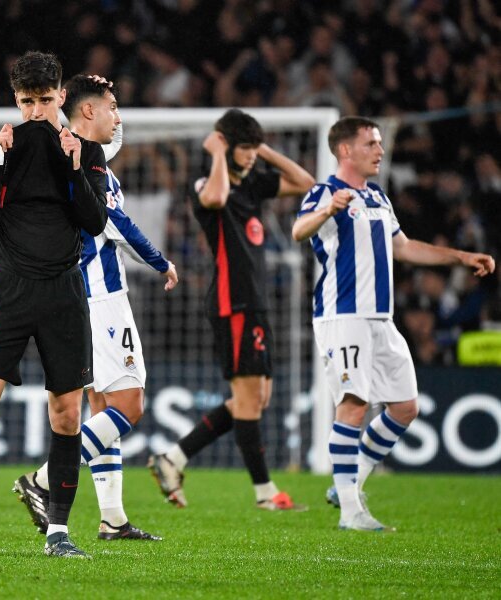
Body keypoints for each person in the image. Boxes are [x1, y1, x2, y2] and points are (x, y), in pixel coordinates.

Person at [291, 116, 495, 531]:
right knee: (353, 405)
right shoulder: (324, 192)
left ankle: (348, 484)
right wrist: (328, 209)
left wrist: (460, 256)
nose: (380, 151)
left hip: (380, 318)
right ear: (346, 150)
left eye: (380, 144)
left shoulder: (379, 196)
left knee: (405, 407)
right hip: (343, 315)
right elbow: (299, 230)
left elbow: (403, 248)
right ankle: (351, 511)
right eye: (371, 143)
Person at [0, 52, 108, 559]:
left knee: (66, 416)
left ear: (62, 96)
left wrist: (74, 165)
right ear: (15, 101)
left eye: (45, 100)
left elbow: (95, 221)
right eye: (26, 102)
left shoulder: (86, 150)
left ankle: (58, 532)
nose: (37, 112)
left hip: (63, 292)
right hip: (10, 288)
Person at [13, 75, 177, 542]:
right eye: (112, 107)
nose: (118, 117)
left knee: (101, 406)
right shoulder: (86, 162)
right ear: (88, 112)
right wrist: (161, 261)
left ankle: (113, 519)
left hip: (72, 295)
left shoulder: (63, 154)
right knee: (130, 404)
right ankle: (42, 480)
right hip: (100, 299)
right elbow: (115, 223)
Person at [148, 109, 313, 511]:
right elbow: (217, 197)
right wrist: (219, 154)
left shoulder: (254, 183)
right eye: (245, 148)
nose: (251, 155)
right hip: (231, 300)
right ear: (223, 144)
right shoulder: (205, 182)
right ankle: (265, 493)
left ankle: (173, 458)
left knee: (255, 399)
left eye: (253, 147)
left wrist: (263, 151)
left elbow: (305, 183)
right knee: (248, 397)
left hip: (254, 302)